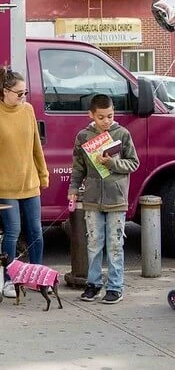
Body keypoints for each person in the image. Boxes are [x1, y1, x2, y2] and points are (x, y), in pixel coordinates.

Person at [0, 66, 49, 299]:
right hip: (5, 185)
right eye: (19, 93)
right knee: (13, 231)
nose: (23, 97)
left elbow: (36, 146)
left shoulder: (28, 111)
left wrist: (43, 173)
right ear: (5, 91)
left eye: (25, 93)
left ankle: (37, 276)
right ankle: (9, 278)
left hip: (30, 182)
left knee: (36, 230)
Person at [68, 94, 139, 304]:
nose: (106, 121)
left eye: (110, 116)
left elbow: (133, 163)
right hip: (91, 198)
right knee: (94, 242)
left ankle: (115, 286)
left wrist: (112, 164)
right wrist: (73, 188)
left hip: (116, 198)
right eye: (101, 117)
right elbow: (78, 167)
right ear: (91, 115)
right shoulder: (83, 136)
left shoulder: (122, 134)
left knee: (115, 243)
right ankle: (93, 284)